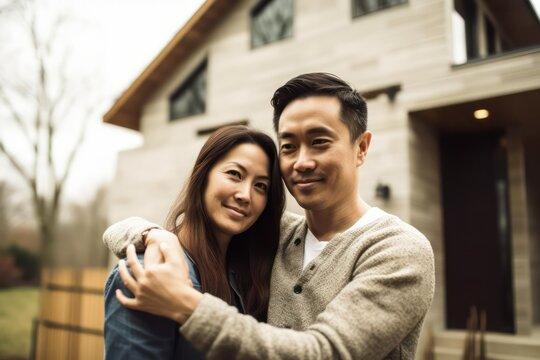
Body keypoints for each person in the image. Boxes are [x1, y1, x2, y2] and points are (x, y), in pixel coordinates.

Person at [106, 73, 435, 359]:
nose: (301, 162)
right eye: (289, 146)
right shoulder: (275, 235)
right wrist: (154, 234)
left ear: (361, 148)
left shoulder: (399, 251)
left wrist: (186, 305)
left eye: (319, 142)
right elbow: (126, 232)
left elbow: (325, 353)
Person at [103, 125, 285, 359]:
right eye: (235, 174)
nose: (245, 195)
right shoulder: (148, 273)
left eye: (261, 186)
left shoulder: (247, 280)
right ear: (203, 175)